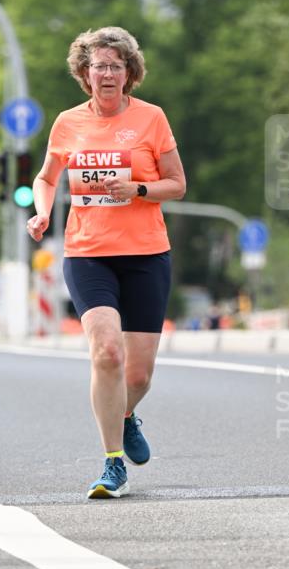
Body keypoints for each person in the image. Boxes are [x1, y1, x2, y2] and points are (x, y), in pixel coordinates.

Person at [27, 26, 186, 499]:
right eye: (99, 65)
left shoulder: (152, 119)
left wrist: (138, 189)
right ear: (85, 73)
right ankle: (112, 463)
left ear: (129, 73)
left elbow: (177, 184)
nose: (108, 73)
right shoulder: (67, 123)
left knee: (137, 375)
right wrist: (40, 210)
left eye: (117, 65)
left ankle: (124, 413)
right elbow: (46, 177)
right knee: (106, 354)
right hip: (88, 252)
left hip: (146, 254)